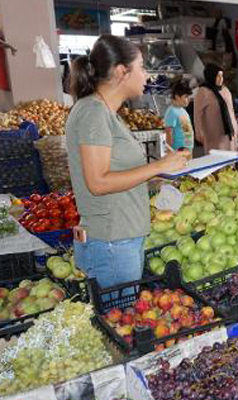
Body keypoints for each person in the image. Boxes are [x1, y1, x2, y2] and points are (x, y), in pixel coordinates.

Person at [66, 34, 188, 289]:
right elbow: (98, 182)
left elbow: (116, 171)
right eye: (142, 67)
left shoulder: (107, 112)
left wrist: (156, 174)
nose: (147, 76)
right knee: (115, 318)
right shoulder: (94, 113)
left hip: (122, 239)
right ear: (122, 71)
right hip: (112, 243)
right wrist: (159, 166)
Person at [194, 63, 238, 153]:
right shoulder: (203, 92)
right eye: (218, 76)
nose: (221, 79)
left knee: (230, 155)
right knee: (216, 156)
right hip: (213, 132)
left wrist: (236, 126)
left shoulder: (225, 90)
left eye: (221, 76)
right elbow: (197, 114)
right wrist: (199, 131)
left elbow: (231, 110)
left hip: (229, 131)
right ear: (211, 76)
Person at [164, 81, 194, 152]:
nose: (189, 100)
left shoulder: (182, 110)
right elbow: (169, 132)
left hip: (187, 148)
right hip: (178, 149)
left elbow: (186, 129)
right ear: (177, 97)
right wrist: (170, 151)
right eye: (186, 97)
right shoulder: (172, 111)